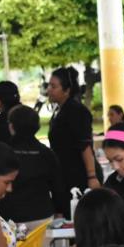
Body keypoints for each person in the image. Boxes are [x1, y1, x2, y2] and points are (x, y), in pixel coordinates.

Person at [0, 105, 66, 224]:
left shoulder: (4, 153)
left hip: (11, 217)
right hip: (42, 215)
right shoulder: (46, 153)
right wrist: (59, 211)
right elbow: (58, 187)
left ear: (12, 126)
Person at [46, 67, 100, 196]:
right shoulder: (59, 110)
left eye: (53, 87)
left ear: (67, 90)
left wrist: (91, 177)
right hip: (64, 172)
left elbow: (85, 145)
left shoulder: (77, 111)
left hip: (79, 174)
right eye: (49, 85)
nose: (49, 90)